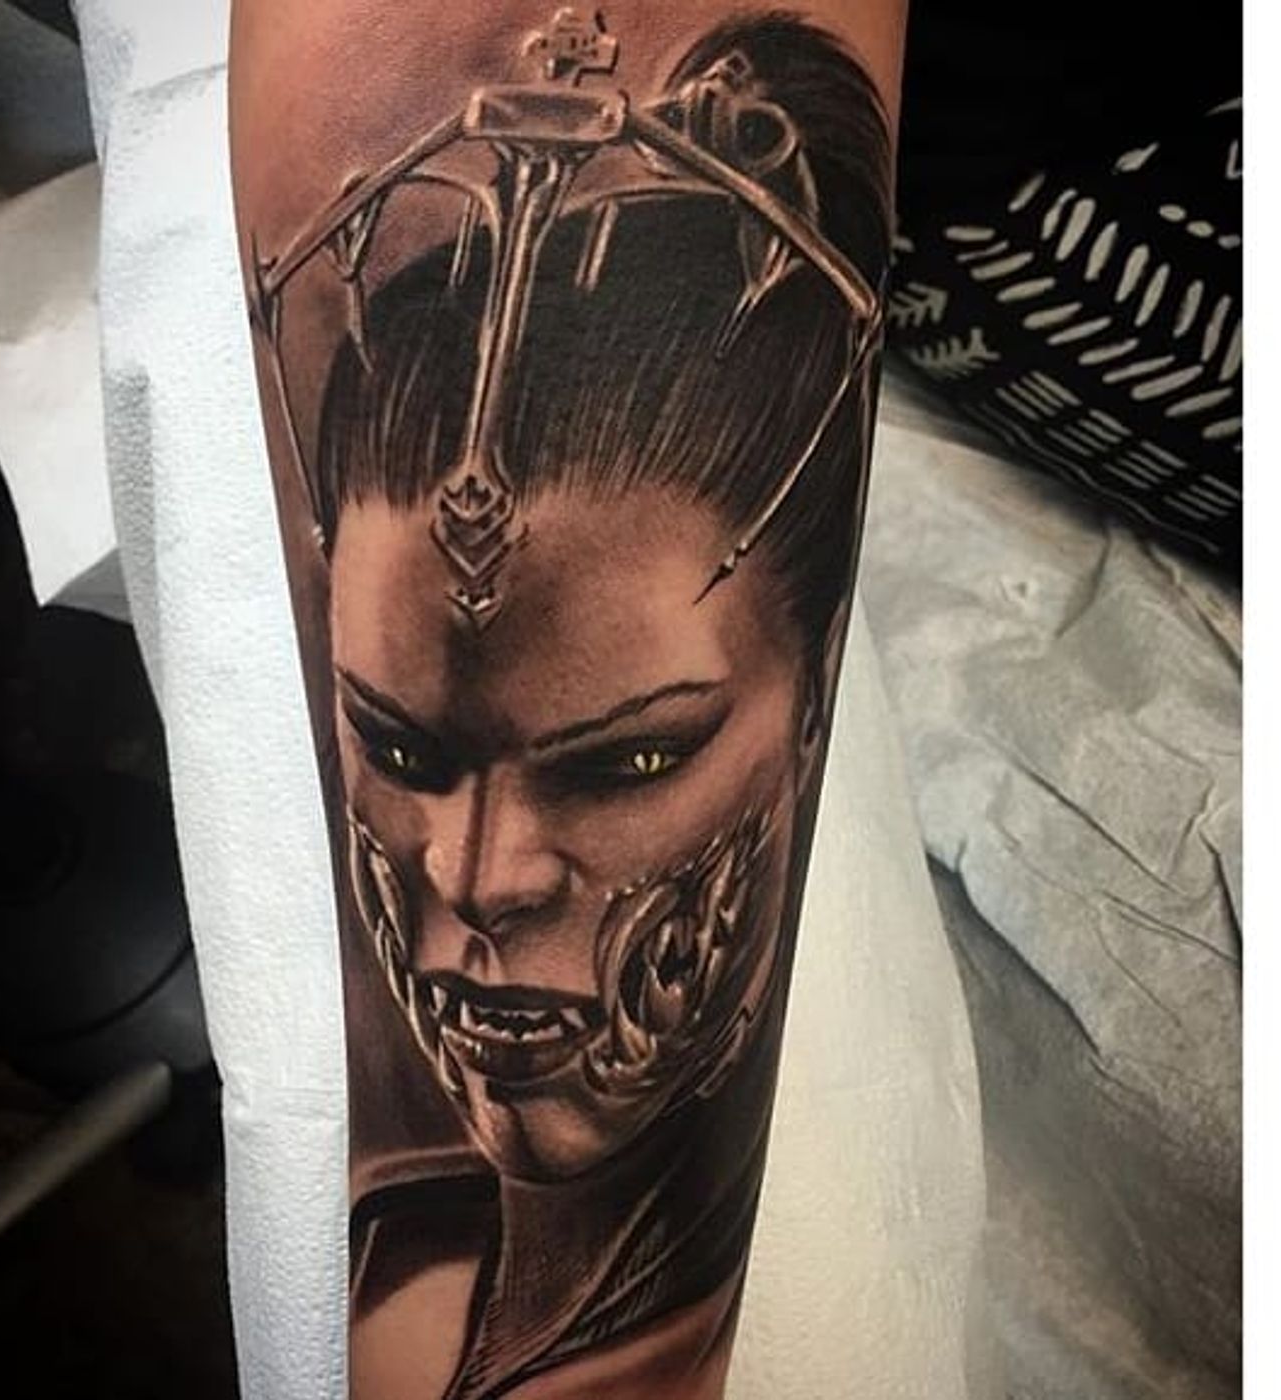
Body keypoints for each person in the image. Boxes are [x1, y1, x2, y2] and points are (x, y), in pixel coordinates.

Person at [232, 7, 901, 1396]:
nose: (479, 879)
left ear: (816, 690)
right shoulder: (408, 1248)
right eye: (399, 747)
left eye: (628, 762)